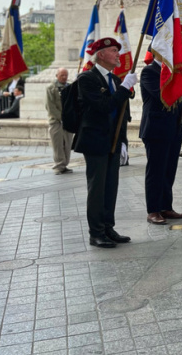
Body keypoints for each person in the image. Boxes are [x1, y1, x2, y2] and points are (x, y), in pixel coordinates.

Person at [73, 37, 137, 248]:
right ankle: (96, 232)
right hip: (95, 140)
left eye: (118, 50)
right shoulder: (87, 78)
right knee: (97, 188)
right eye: (113, 51)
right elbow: (103, 106)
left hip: (114, 141)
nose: (118, 54)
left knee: (111, 187)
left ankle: (108, 228)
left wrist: (123, 141)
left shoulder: (116, 80)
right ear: (100, 55)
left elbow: (122, 115)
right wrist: (124, 89)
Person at [140, 53, 182, 225]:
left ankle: (166, 206)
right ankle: (153, 210)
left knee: (169, 170)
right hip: (156, 129)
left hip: (174, 128)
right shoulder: (149, 71)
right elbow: (162, 95)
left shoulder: (174, 72)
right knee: (156, 171)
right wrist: (181, 83)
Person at [46, 68, 75, 174]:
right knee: (58, 144)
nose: (64, 77)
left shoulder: (70, 87)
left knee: (67, 144)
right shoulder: (51, 88)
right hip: (56, 121)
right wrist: (61, 117)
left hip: (68, 121)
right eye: (62, 75)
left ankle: (65, 164)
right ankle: (59, 165)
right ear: (57, 75)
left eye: (66, 75)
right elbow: (50, 106)